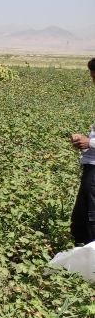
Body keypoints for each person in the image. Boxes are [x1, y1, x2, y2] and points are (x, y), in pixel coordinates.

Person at [68, 57, 95, 245]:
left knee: (91, 217)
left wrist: (90, 143)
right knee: (81, 220)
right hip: (91, 167)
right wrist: (85, 139)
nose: (93, 83)